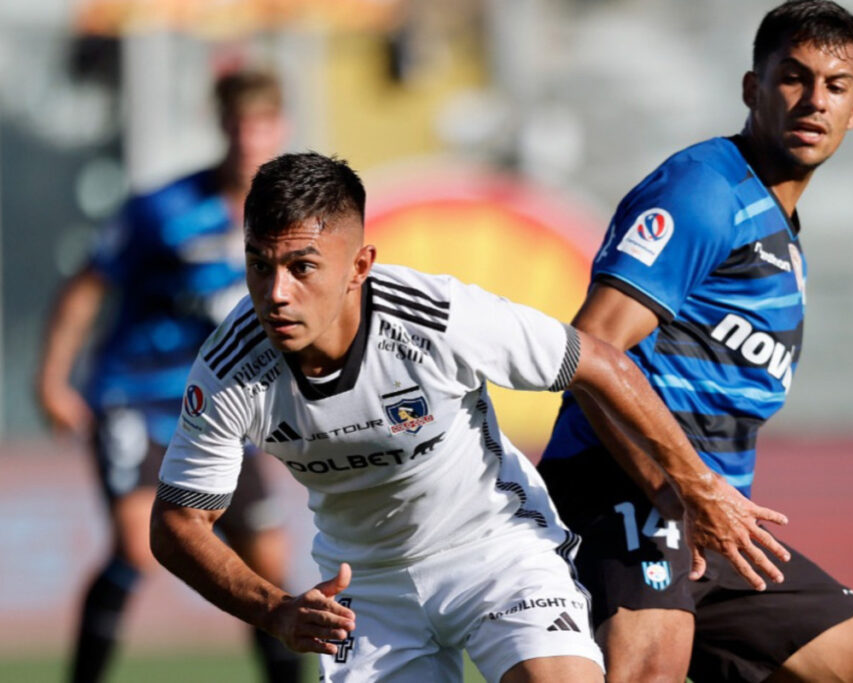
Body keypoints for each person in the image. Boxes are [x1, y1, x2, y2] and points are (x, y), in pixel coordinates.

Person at [149, 151, 793, 683]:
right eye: (259, 266)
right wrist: (276, 612)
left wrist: (696, 485)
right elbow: (178, 524)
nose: (276, 293)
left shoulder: (438, 317)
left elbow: (600, 361)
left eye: (301, 267)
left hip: (496, 552)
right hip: (366, 591)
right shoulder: (231, 366)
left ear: (360, 268)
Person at [537, 1, 853, 681]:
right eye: (793, 77)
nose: (815, 100)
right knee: (650, 671)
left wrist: (705, 501)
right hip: (623, 491)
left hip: (716, 521)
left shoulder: (782, 228)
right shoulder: (706, 189)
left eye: (835, 86)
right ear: (752, 89)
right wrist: (689, 488)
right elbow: (590, 350)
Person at [36, 69, 302, 683]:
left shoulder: (285, 222)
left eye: (261, 126)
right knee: (138, 547)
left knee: (268, 565)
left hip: (222, 409)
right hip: (135, 395)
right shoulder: (163, 209)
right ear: (221, 129)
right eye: (238, 126)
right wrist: (52, 379)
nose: (249, 140)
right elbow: (85, 288)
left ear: (280, 129)